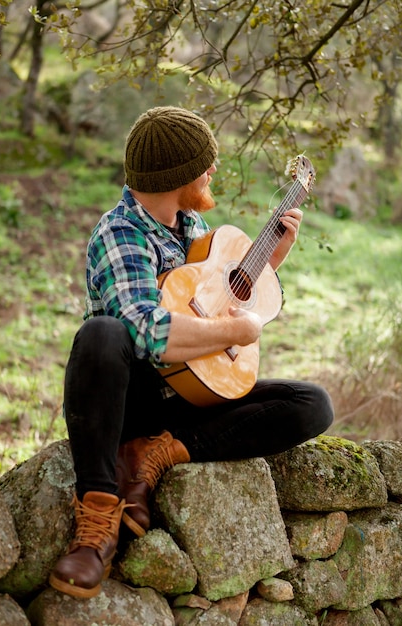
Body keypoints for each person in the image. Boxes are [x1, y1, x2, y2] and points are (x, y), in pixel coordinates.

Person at [49, 106, 334, 599]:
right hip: (130, 396)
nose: (213, 171)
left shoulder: (193, 226)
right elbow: (141, 328)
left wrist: (269, 262)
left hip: (188, 391)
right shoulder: (120, 233)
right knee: (102, 332)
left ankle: (159, 453)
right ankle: (97, 517)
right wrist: (233, 334)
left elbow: (212, 300)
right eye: (206, 164)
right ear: (178, 174)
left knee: (311, 404)